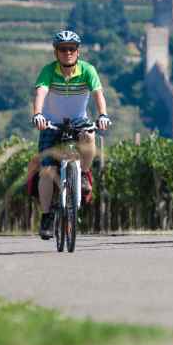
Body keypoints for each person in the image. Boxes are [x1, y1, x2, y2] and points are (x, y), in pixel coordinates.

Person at [31, 30, 111, 239]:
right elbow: (40, 91)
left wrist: (103, 115)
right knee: (47, 170)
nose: (67, 53)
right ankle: (47, 216)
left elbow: (98, 94)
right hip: (51, 123)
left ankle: (83, 173)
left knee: (90, 136)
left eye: (71, 49)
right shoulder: (48, 71)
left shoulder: (87, 70)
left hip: (78, 121)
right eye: (63, 49)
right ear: (56, 52)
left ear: (78, 51)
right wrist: (38, 114)